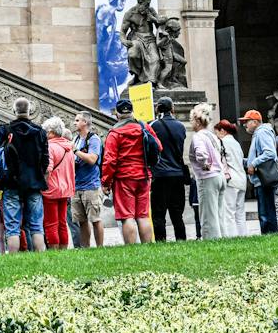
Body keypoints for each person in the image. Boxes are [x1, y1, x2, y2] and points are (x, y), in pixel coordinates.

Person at [0, 98, 48, 253]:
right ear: (30, 111)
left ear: (14, 110)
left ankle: (13, 261)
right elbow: (45, 159)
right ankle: (41, 258)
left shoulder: (5, 130)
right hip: (34, 182)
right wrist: (40, 173)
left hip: (11, 182)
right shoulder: (40, 132)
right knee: (37, 225)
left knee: (12, 227)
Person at [100, 97, 155, 246]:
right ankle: (148, 248)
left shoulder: (115, 133)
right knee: (143, 215)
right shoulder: (145, 127)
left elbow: (110, 161)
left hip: (124, 178)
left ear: (117, 114)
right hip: (144, 176)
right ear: (132, 112)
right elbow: (158, 148)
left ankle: (131, 249)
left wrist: (105, 182)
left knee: (127, 216)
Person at [147, 97, 190, 242]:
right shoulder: (181, 126)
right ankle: (181, 240)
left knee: (159, 213)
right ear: (173, 109)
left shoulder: (152, 126)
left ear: (157, 109)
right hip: (177, 174)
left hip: (160, 174)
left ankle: (161, 241)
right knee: (177, 212)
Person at [186, 103, 230, 239]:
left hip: (208, 177)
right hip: (219, 175)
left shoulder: (198, 136)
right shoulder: (212, 136)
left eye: (192, 120)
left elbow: (201, 154)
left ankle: (211, 241)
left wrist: (205, 164)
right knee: (219, 212)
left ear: (198, 121)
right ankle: (223, 239)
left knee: (208, 215)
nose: (191, 123)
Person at [242, 110, 278, 234]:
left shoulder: (262, 133)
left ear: (255, 122)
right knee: (266, 211)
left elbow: (269, 153)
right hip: (263, 179)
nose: (245, 125)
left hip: (264, 179)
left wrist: (253, 163)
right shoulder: (261, 133)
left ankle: (270, 236)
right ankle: (270, 235)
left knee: (266, 213)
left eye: (246, 122)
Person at [70, 111, 104, 248]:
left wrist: (75, 152)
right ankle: (86, 248)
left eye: (77, 120)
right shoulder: (76, 139)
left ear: (85, 122)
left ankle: (100, 247)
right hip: (77, 186)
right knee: (81, 221)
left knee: (95, 219)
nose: (74, 122)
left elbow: (92, 159)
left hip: (91, 186)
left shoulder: (93, 139)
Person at [41, 116, 75, 249]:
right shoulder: (69, 147)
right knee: (62, 222)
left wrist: (42, 186)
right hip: (66, 189)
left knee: (51, 223)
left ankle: (55, 252)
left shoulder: (50, 147)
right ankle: (63, 250)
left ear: (51, 132)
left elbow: (48, 170)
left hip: (51, 190)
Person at [216, 118, 249, 236]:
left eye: (217, 132)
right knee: (240, 212)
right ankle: (242, 236)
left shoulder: (222, 142)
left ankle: (231, 237)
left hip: (231, 180)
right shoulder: (236, 143)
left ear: (223, 131)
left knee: (229, 212)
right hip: (241, 179)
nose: (217, 136)